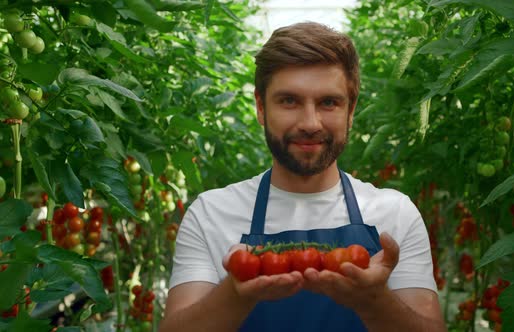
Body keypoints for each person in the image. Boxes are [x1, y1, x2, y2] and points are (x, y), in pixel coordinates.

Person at [160, 22, 445, 332]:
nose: (310, 123)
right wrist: (234, 294)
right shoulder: (210, 214)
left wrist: (374, 302)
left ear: (350, 112)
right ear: (260, 107)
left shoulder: (395, 213)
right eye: (289, 101)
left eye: (328, 102)